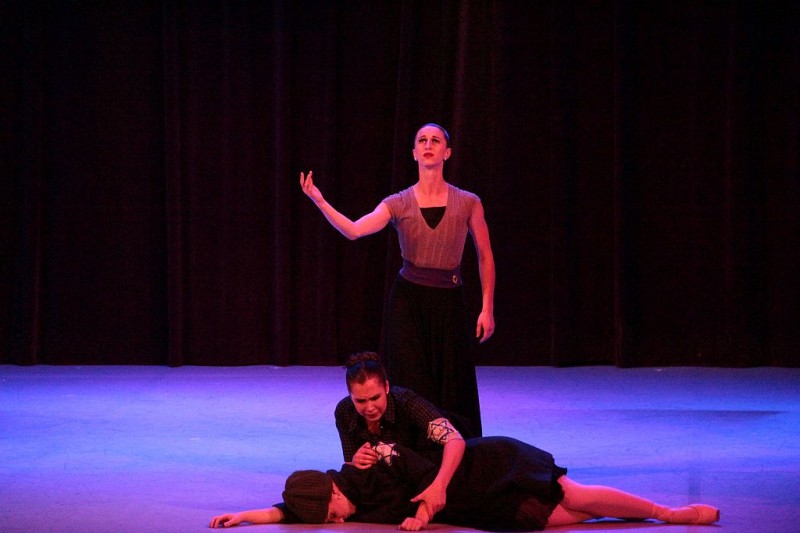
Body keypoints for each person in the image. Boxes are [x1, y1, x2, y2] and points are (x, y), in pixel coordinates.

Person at [300, 122, 495, 437]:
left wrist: (487, 308)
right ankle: (409, 448)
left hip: (448, 300)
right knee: (410, 379)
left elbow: (485, 256)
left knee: (452, 381)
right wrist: (320, 201)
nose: (428, 144)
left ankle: (457, 449)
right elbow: (354, 230)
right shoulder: (398, 202)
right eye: (422, 140)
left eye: (435, 140)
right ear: (414, 153)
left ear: (447, 152)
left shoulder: (468, 202)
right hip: (408, 301)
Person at [209, 436, 720, 531]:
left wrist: (421, 515)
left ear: (334, 492)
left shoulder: (373, 462)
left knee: (575, 495)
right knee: (568, 520)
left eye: (330, 514)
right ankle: (646, 515)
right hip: (476, 507)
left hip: (481, 469)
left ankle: (668, 513)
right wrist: (243, 516)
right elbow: (284, 509)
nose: (335, 523)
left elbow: (426, 479)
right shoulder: (332, 499)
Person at [335, 352, 466, 518]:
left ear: (386, 387)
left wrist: (438, 487)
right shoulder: (344, 412)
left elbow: (455, 441)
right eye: (360, 401)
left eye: (375, 398)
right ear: (351, 396)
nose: (370, 407)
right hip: (398, 482)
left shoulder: (406, 402)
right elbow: (351, 467)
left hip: (433, 467)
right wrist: (355, 462)